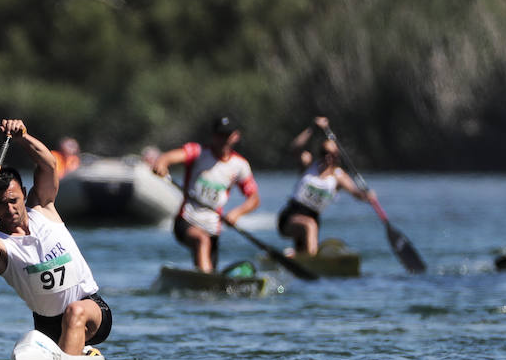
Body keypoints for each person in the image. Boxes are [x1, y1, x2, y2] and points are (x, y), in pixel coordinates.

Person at [0, 119, 111, 356]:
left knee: (75, 312)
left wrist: (22, 138)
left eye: (13, 200)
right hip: (47, 326)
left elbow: (48, 165)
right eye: (0, 204)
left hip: (91, 311)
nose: (9, 209)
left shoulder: (43, 208)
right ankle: (77, 356)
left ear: (24, 195)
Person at [152, 116, 260, 273]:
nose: (223, 140)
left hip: (212, 228)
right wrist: (161, 165)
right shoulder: (198, 152)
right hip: (187, 220)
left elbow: (254, 199)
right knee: (201, 240)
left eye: (227, 135)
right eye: (219, 135)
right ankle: (206, 278)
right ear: (213, 135)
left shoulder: (240, 165)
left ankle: (201, 286)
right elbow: (166, 158)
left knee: (207, 267)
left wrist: (237, 213)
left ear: (235, 136)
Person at [278, 116, 373, 255]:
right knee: (309, 225)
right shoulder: (309, 165)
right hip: (291, 216)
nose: (327, 157)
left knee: (308, 233)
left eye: (332, 155)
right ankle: (313, 261)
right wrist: (312, 129)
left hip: (313, 218)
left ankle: (302, 257)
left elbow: (356, 193)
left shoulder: (338, 177)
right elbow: (295, 148)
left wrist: (367, 196)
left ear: (337, 156)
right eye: (323, 153)